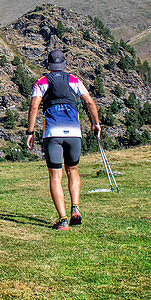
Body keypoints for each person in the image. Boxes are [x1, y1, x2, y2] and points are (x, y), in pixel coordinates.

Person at [25, 50, 100, 230]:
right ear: (64, 63)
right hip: (74, 131)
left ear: (48, 64)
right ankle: (75, 208)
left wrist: (30, 131)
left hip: (53, 133)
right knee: (73, 170)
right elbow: (89, 102)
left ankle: (63, 219)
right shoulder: (74, 80)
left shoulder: (42, 81)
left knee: (55, 175)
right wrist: (95, 123)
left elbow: (34, 106)